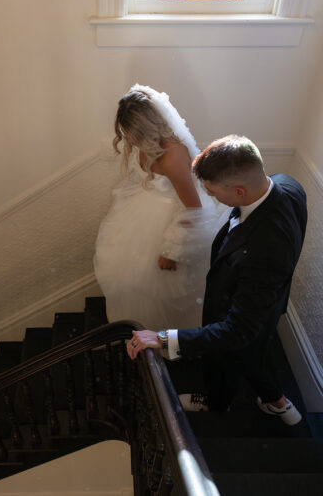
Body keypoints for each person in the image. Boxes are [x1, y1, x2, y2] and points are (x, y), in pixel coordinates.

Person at [127, 135, 307, 426]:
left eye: (211, 191)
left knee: (233, 354)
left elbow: (235, 330)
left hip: (243, 309)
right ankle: (281, 407)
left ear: (238, 191)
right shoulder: (286, 184)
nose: (209, 197)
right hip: (267, 300)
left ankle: (218, 403)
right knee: (253, 356)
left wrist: (162, 339)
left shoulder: (265, 251)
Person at [94, 85, 225, 331]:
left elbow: (195, 209)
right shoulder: (148, 145)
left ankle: (166, 341)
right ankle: (141, 334)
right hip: (143, 214)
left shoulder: (173, 156)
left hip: (172, 223)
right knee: (132, 280)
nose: (129, 140)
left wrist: (172, 251)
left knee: (161, 289)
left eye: (132, 134)